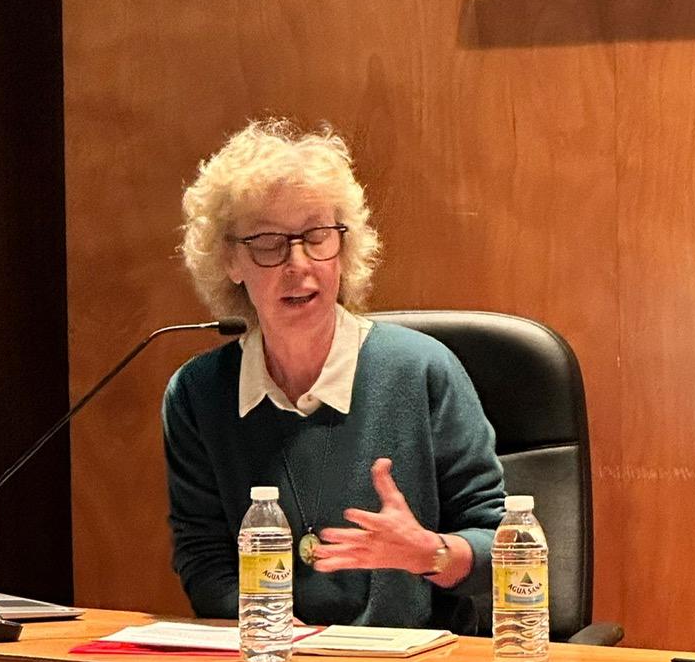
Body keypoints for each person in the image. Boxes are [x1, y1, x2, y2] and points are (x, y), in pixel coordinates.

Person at [162, 119, 505, 632]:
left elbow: (502, 543)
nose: (298, 263)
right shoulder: (198, 394)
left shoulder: (422, 371)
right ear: (231, 260)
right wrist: (275, 631)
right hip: (272, 658)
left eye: (317, 236)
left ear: (343, 248)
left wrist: (430, 553)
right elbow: (203, 557)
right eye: (269, 242)